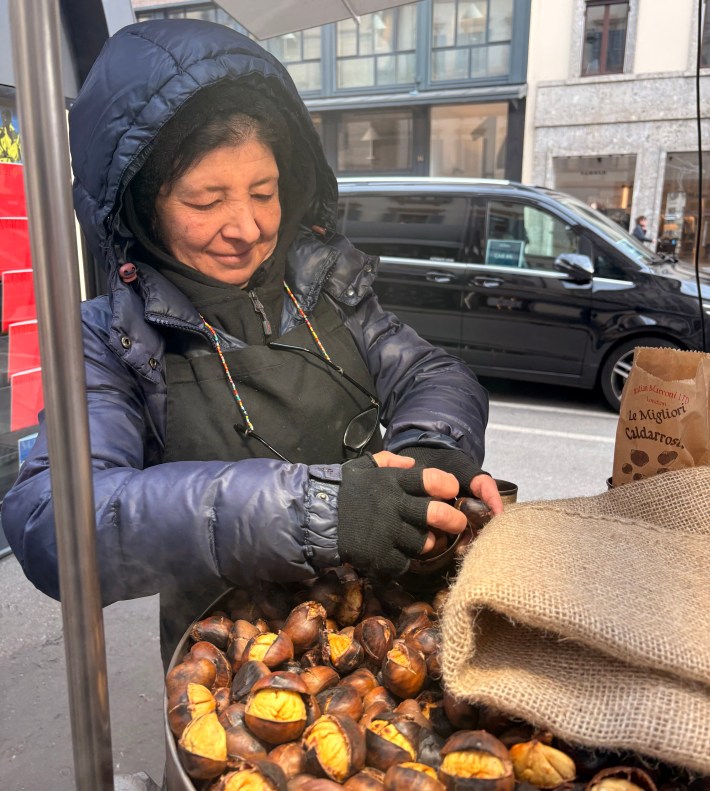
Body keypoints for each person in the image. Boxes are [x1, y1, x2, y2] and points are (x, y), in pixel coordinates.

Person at [1, 19, 502, 665]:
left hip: (372, 640)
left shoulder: (323, 283)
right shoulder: (111, 339)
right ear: (141, 206)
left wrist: (432, 447)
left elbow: (431, 372)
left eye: (263, 192)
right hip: (233, 663)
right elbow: (53, 523)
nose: (248, 226)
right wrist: (319, 509)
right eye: (206, 200)